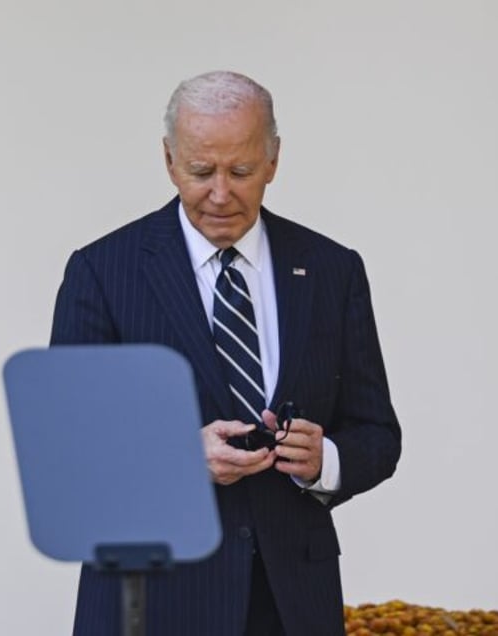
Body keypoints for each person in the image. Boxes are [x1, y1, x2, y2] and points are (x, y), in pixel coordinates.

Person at [50, 70, 401, 635]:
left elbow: (377, 433)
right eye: (199, 171)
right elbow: (66, 453)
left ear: (273, 161)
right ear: (169, 160)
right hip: (150, 604)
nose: (220, 193)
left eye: (240, 171)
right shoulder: (101, 272)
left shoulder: (334, 270)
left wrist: (324, 461)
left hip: (292, 604)